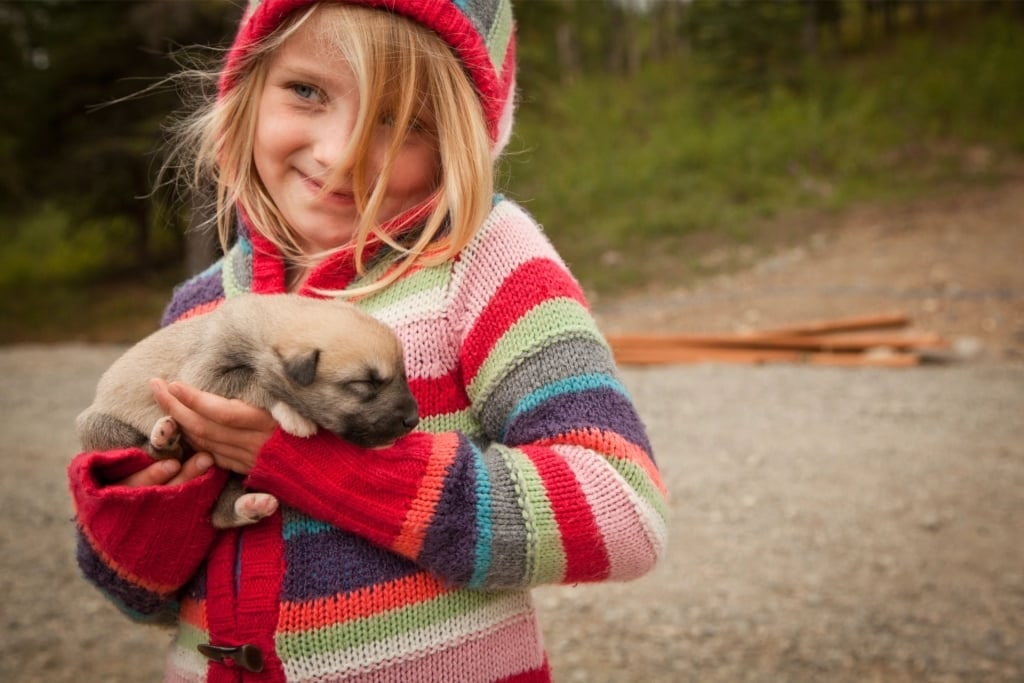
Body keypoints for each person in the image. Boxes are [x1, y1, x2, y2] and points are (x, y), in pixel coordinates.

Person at [67, 1, 669, 681]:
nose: (341, 152)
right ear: (246, 90)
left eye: (402, 119)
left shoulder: (486, 266)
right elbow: (137, 596)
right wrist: (155, 499)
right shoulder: (204, 304)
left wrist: (314, 463)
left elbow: (624, 513)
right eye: (306, 91)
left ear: (459, 141)